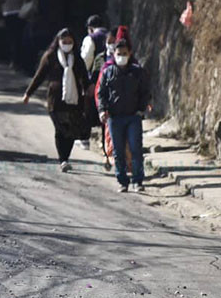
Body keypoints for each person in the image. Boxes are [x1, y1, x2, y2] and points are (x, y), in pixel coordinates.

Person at [23, 28, 90, 171]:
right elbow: (39, 77)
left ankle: (65, 158)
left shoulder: (77, 58)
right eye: (64, 41)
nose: (67, 44)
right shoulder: (50, 57)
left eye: (69, 42)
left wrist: (89, 92)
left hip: (74, 100)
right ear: (58, 42)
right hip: (55, 100)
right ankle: (62, 160)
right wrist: (28, 93)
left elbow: (84, 77)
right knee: (60, 130)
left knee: (71, 130)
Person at [97, 37, 151, 192]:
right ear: (113, 54)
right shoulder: (107, 73)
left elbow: (145, 92)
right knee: (118, 151)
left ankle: (138, 181)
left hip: (133, 116)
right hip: (114, 118)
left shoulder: (138, 72)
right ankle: (122, 181)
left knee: (136, 149)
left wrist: (141, 109)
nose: (121, 56)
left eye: (124, 53)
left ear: (130, 53)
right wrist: (102, 110)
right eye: (119, 53)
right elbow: (102, 94)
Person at [79, 14, 109, 79]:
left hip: (95, 78)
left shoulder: (91, 38)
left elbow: (86, 60)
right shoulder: (111, 36)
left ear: (90, 28)